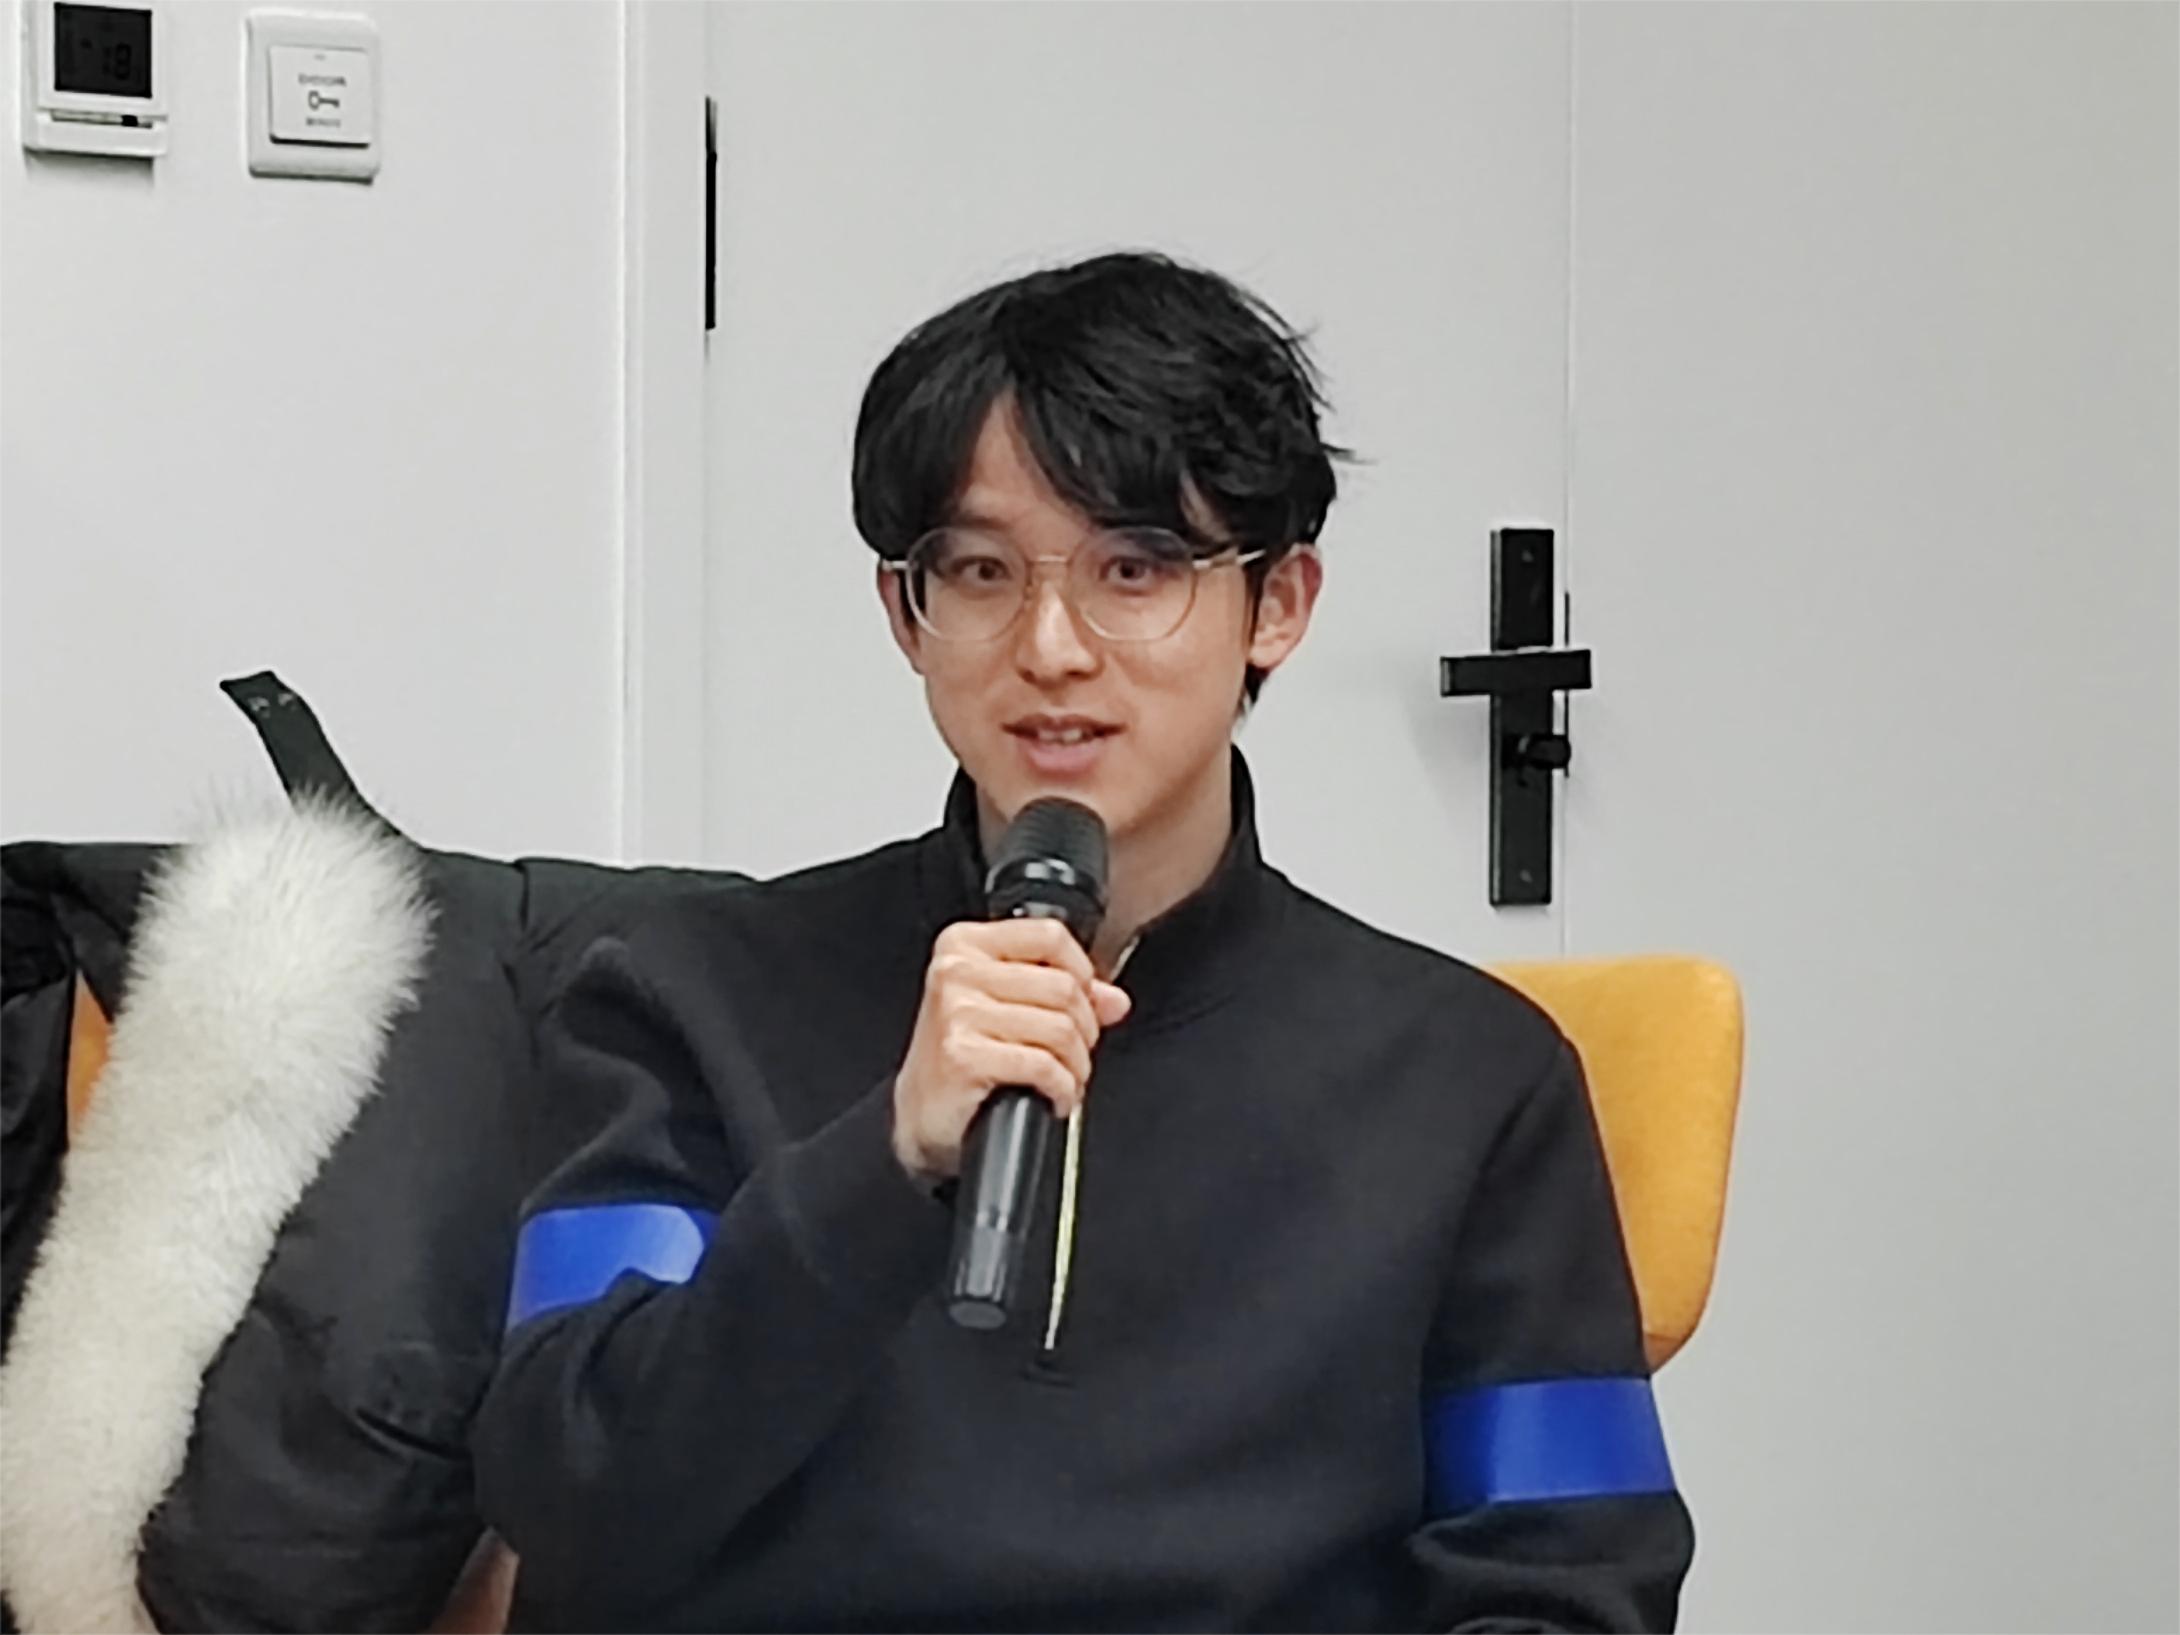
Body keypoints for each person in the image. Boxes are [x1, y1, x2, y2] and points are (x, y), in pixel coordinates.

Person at [471, 250, 1694, 1632]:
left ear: (1279, 605)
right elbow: (567, 1500)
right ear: (906, 615)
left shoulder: (1471, 1081)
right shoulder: (681, 996)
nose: (1051, 646)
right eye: (981, 571)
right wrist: (881, 1166)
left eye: (1136, 567)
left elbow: (1568, 1578)